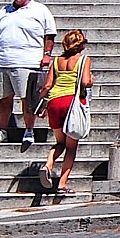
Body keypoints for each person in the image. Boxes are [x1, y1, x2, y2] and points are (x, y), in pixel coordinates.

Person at [0, 0, 56, 147]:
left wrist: (47, 54)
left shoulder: (40, 10)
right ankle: (2, 130)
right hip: (2, 60)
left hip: (26, 61)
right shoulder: (4, 11)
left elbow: (49, 34)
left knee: (27, 99)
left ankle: (29, 130)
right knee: (4, 97)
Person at [39, 30, 90, 195]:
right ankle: (61, 184)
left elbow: (47, 86)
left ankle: (48, 164)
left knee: (59, 142)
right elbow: (85, 82)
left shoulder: (56, 61)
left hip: (54, 103)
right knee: (71, 147)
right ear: (81, 45)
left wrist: (42, 106)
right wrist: (91, 80)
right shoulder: (83, 59)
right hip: (72, 103)